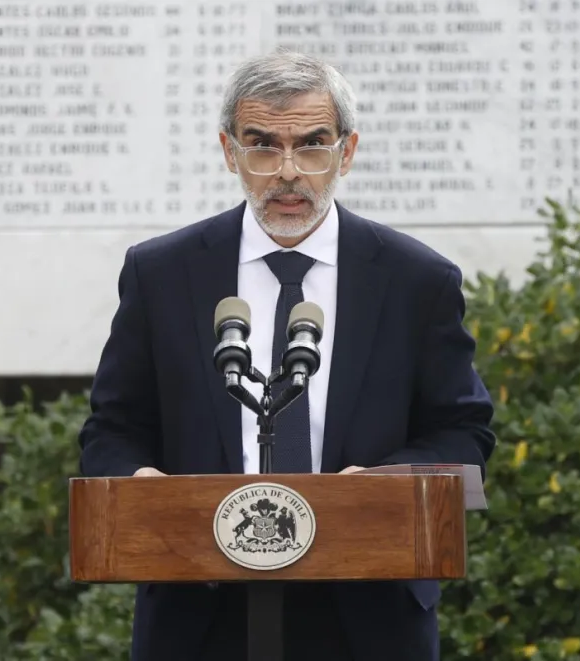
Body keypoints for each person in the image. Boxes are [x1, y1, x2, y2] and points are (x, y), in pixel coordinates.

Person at [78, 49, 496, 661]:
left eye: (312, 145)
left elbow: (463, 433)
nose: (289, 171)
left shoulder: (415, 280)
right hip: (201, 610)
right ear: (230, 153)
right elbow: (111, 430)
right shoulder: (163, 273)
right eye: (263, 146)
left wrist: (375, 487)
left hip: (369, 612)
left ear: (346, 153)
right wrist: (150, 493)